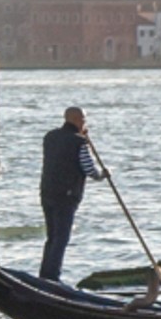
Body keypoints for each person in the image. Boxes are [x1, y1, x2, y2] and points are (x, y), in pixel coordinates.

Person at [37, 107, 102, 282]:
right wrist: (103, 174)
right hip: (66, 194)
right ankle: (52, 277)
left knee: (52, 236)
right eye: (84, 120)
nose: (85, 123)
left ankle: (45, 274)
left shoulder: (50, 137)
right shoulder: (78, 142)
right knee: (61, 237)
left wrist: (83, 138)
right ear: (78, 120)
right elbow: (89, 169)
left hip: (47, 191)